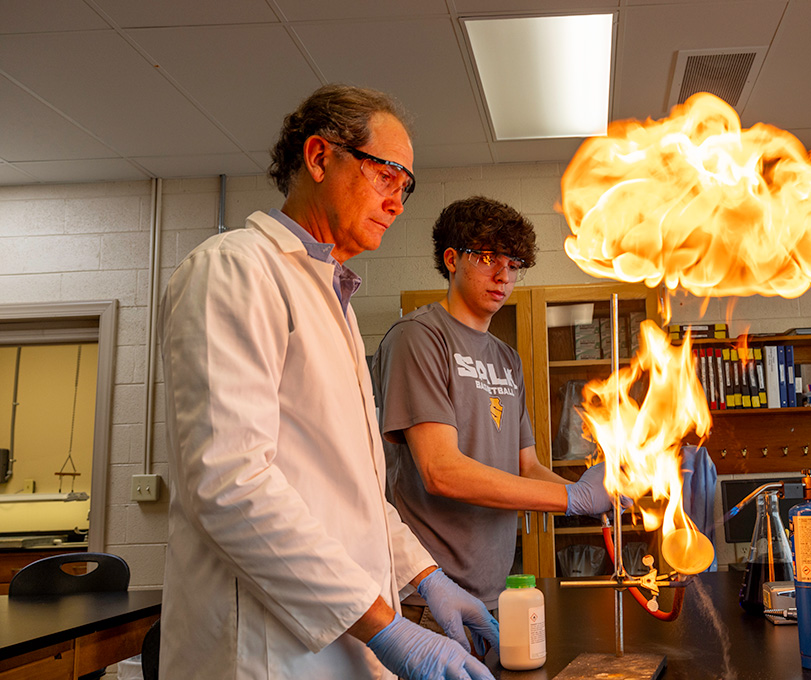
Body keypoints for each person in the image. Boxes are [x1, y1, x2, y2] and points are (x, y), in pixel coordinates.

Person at [159, 84, 498, 680]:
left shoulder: (330, 296)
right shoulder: (235, 268)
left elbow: (357, 495)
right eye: (388, 175)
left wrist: (425, 577)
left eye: (406, 186)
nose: (397, 202)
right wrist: (388, 628)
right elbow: (231, 485)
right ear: (319, 157)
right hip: (267, 655)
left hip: (342, 643)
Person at [373, 196, 615, 630]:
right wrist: (571, 498)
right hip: (427, 598)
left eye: (514, 262)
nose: (503, 274)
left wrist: (589, 498)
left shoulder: (507, 359)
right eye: (487, 258)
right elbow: (440, 470)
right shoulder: (418, 339)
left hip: (497, 595)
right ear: (451, 259)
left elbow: (528, 467)